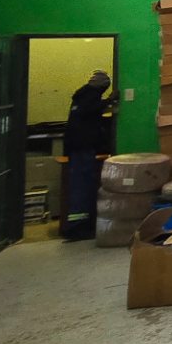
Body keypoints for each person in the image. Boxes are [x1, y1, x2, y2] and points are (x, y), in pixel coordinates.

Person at [61, 70, 117, 241]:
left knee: (81, 186)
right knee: (81, 187)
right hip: (82, 149)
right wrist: (109, 101)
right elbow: (90, 110)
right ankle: (77, 227)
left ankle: (80, 224)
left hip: (79, 148)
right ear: (102, 86)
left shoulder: (82, 96)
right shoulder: (89, 97)